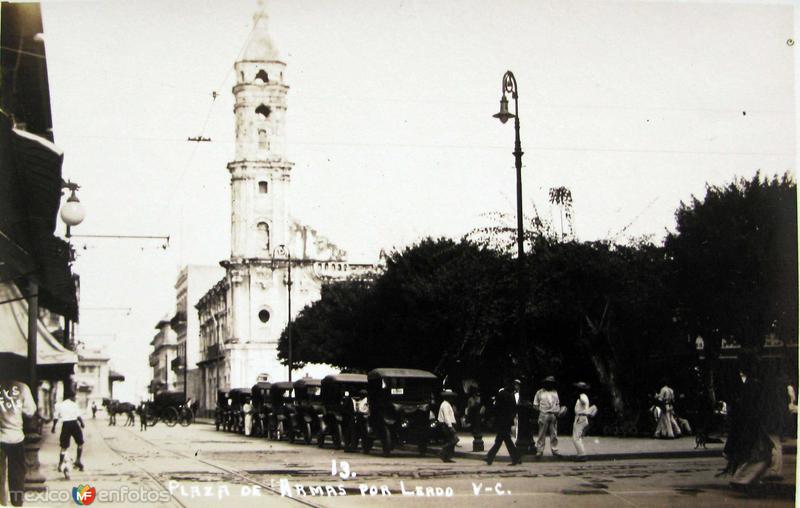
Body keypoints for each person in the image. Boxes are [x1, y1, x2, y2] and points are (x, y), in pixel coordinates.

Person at [723, 356, 773, 491]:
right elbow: (754, 407)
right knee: (760, 453)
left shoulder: (748, 384)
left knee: (754, 452)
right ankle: (743, 479)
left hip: (747, 423)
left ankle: (748, 478)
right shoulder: (754, 385)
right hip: (752, 423)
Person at [0, 376, 36, 506]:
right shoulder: (22, 387)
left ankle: (2, 502)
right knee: (17, 472)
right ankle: (17, 501)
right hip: (16, 436)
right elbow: (30, 411)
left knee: (0, 471)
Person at [485, 380, 522, 465]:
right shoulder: (511, 396)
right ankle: (515, 457)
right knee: (503, 440)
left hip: (501, 420)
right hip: (507, 421)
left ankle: (490, 456)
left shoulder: (502, 394)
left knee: (501, 440)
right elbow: (514, 409)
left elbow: (496, 408)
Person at [52, 390, 85, 473]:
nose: (75, 398)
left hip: (65, 425)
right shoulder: (74, 404)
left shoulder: (60, 405)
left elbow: (56, 417)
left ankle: (60, 464)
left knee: (63, 446)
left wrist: (53, 427)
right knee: (80, 442)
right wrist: (82, 423)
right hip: (74, 424)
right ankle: (78, 460)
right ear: (71, 397)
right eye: (74, 397)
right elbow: (78, 416)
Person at [533, 376, 561, 457]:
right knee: (541, 433)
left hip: (553, 414)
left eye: (551, 383)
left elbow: (557, 403)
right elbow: (535, 405)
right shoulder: (539, 392)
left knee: (554, 434)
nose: (549, 385)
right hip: (544, 414)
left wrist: (557, 411)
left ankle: (555, 450)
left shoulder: (555, 392)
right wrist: (541, 411)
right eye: (548, 383)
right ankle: (540, 451)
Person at [571, 382, 597, 461]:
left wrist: (578, 397)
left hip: (581, 418)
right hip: (580, 418)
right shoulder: (583, 396)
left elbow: (583, 402)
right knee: (577, 437)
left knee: (576, 438)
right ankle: (580, 454)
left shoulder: (583, 396)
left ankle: (582, 454)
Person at [437, 390, 459, 462]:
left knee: (450, 440)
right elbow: (447, 417)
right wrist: (450, 426)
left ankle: (447, 457)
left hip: (447, 424)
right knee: (454, 440)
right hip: (447, 425)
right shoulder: (445, 405)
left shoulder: (446, 404)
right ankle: (443, 452)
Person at [465, 387, 485, 451]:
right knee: (474, 427)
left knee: (477, 426)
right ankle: (476, 438)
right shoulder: (470, 399)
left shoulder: (478, 398)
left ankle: (477, 439)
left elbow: (479, 405)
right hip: (472, 414)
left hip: (477, 414)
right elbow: (470, 406)